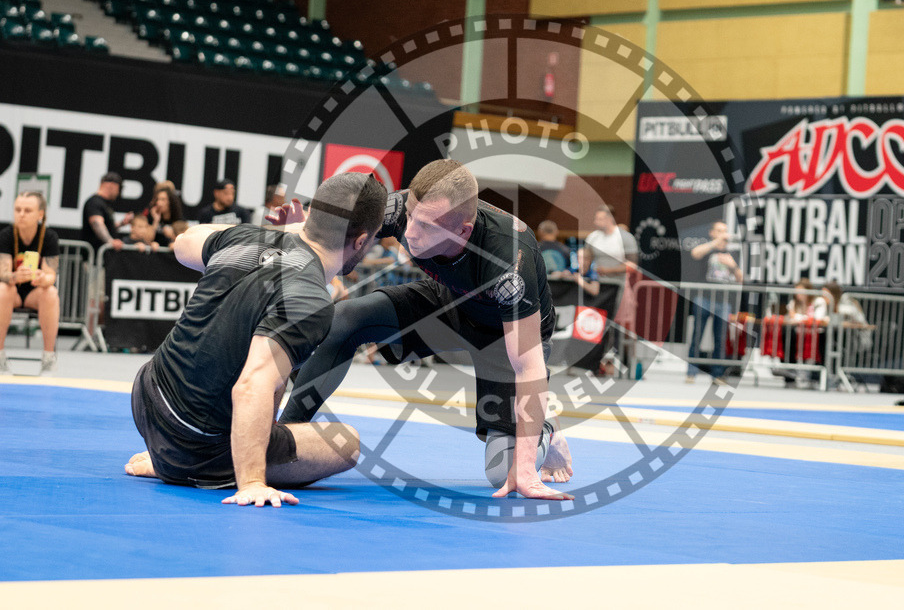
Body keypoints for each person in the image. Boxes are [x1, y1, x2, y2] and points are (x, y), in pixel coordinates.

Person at [276, 160, 574, 501]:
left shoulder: (508, 258)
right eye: (411, 216)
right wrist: (296, 232)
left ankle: (546, 428)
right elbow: (327, 232)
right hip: (448, 303)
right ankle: (283, 438)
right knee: (345, 318)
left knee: (501, 474)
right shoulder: (401, 208)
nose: (411, 232)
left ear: (463, 230)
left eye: (427, 225)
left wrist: (525, 472)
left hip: (504, 336)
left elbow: (528, 366)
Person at [124, 172, 387, 508]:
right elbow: (252, 385)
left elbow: (184, 242)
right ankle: (182, 463)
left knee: (270, 370)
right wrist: (252, 483)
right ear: (362, 240)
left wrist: (285, 231)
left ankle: (169, 456)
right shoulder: (310, 299)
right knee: (346, 443)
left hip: (146, 399)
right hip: (196, 440)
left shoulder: (246, 238)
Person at [0, 191, 60, 374]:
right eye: (18, 209)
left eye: (27, 210)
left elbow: (51, 276)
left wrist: (43, 278)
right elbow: (2, 273)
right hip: (14, 292)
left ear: (40, 214)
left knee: (51, 292)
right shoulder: (6, 235)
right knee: (2, 289)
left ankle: (48, 357)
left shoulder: (49, 236)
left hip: (35, 292)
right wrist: (15, 276)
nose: (21, 214)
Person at [688, 220, 742, 380]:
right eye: (719, 230)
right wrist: (715, 243)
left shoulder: (732, 253)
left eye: (724, 231)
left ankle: (718, 375)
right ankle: (691, 373)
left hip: (723, 302)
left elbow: (741, 278)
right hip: (703, 298)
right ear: (712, 232)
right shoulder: (707, 249)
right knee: (696, 336)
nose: (723, 234)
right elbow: (695, 253)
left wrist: (732, 265)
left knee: (720, 339)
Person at [581, 205, 638, 282]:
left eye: (600, 219)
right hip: (596, 282)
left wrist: (609, 270)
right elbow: (586, 258)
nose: (595, 222)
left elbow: (632, 265)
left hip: (618, 283)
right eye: (595, 219)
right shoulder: (592, 237)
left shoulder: (625, 237)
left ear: (610, 219)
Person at [82, 172, 133, 251]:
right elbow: (97, 223)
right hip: (95, 257)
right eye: (119, 188)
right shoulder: (94, 202)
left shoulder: (103, 204)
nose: (118, 193)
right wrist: (111, 241)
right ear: (112, 185)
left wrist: (121, 223)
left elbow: (107, 226)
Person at [146, 182, 186, 247]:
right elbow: (147, 239)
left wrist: (172, 236)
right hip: (154, 254)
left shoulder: (179, 219)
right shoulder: (152, 216)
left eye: (163, 200)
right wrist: (156, 220)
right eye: (158, 199)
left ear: (171, 202)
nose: (159, 203)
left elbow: (185, 242)